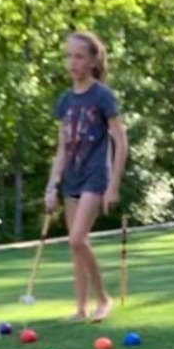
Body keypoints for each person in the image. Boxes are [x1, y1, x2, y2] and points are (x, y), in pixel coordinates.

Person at [44, 32, 128, 323]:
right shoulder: (65, 101)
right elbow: (62, 148)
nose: (72, 62)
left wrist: (113, 185)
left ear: (93, 61)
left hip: (95, 175)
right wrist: (52, 186)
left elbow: (121, 140)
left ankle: (103, 299)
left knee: (78, 239)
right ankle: (81, 308)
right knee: (74, 245)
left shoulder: (102, 96)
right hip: (71, 177)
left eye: (79, 56)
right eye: (68, 56)